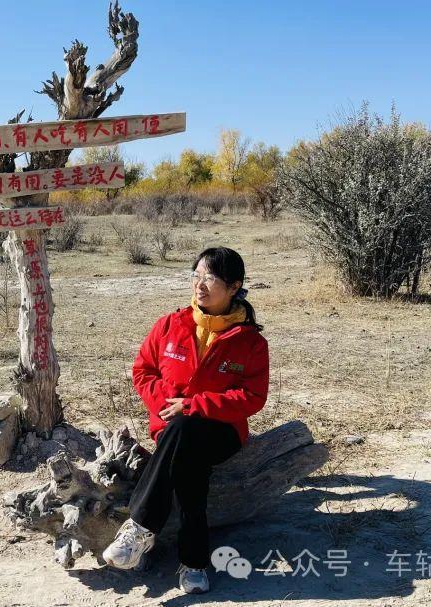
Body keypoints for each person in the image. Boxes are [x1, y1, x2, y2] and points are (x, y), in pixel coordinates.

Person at [102, 246, 270, 594]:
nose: (200, 285)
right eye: (196, 276)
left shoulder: (250, 342)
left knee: (186, 431)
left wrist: (193, 406)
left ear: (234, 286)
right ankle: (194, 562)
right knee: (188, 464)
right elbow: (143, 371)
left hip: (222, 432)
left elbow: (252, 397)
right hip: (171, 426)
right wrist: (170, 406)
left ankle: (140, 527)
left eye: (210, 278)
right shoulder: (170, 325)